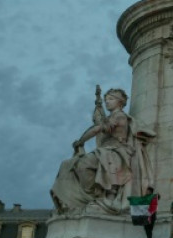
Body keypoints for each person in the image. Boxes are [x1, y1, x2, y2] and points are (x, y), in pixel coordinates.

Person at [51, 86, 155, 214]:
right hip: (106, 151)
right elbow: (99, 123)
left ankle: (97, 197)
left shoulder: (120, 116)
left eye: (111, 99)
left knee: (83, 164)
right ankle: (89, 197)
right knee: (68, 164)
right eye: (106, 99)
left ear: (120, 102)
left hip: (118, 151)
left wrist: (81, 141)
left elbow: (97, 129)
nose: (107, 102)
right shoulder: (111, 117)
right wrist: (98, 102)